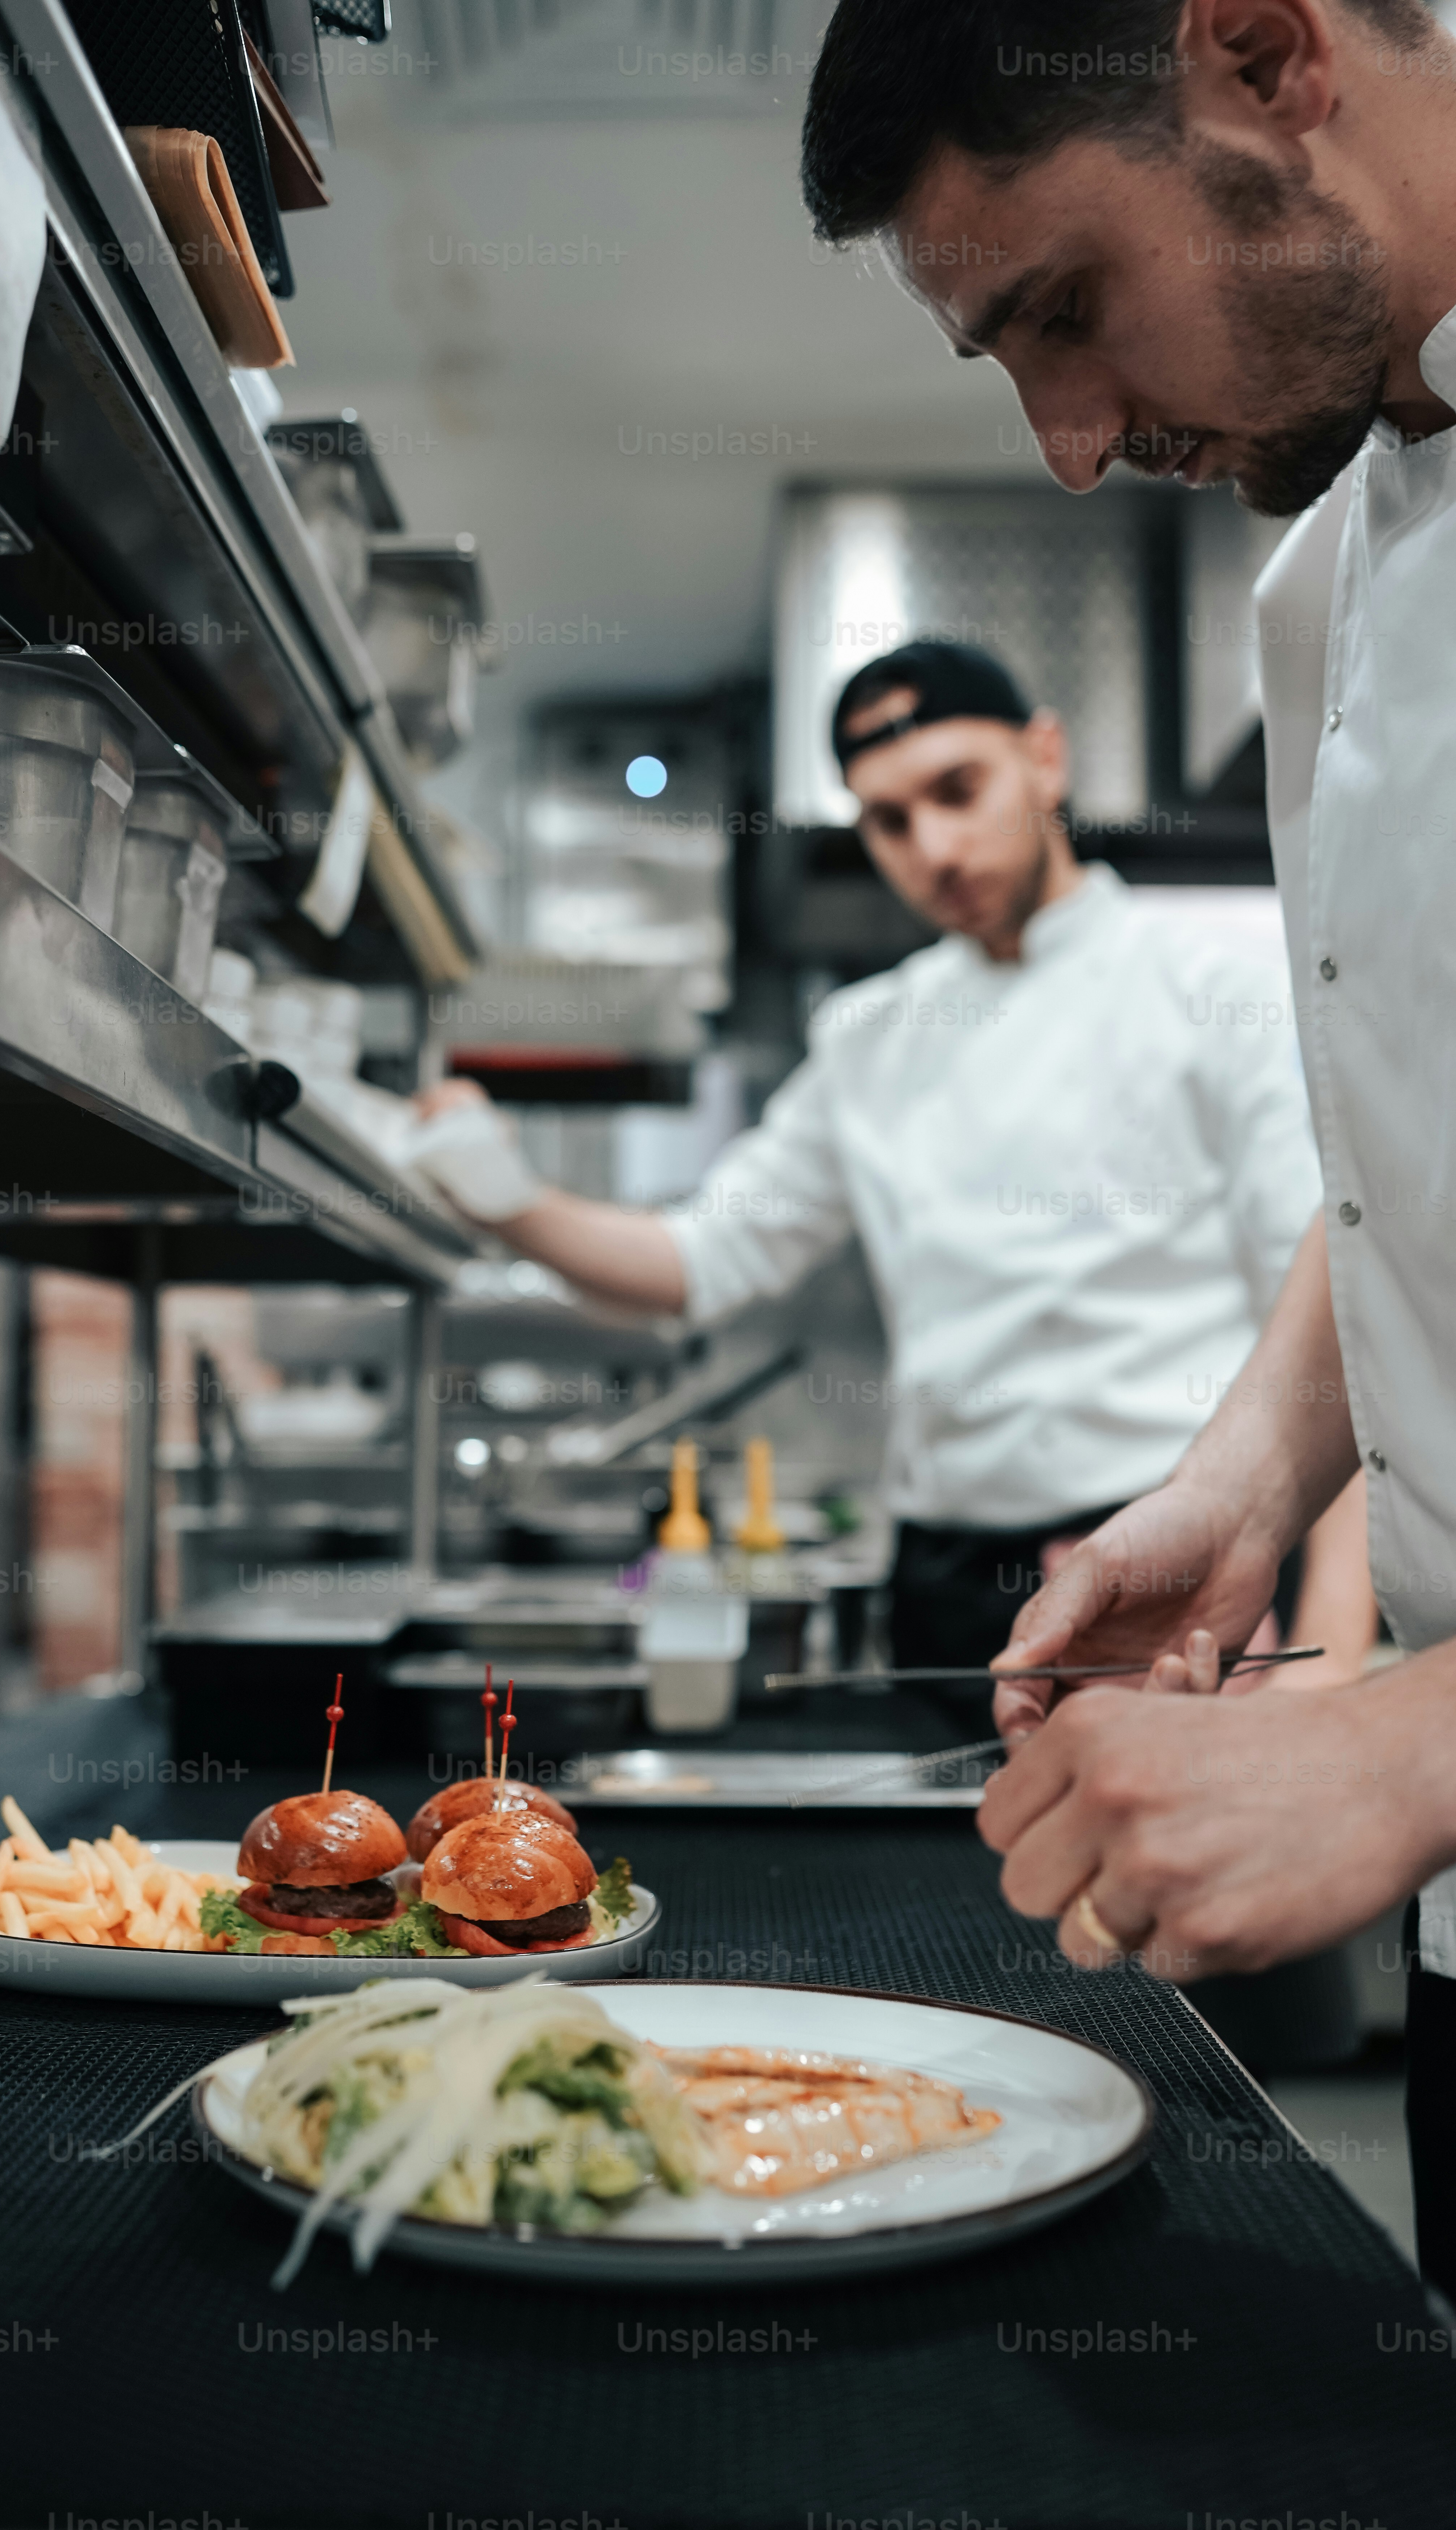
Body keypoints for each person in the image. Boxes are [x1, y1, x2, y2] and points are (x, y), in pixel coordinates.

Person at [798, 0, 1456, 2289]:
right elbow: (1410, 1145)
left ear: (1270, 56)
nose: (1070, 449)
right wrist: (1251, 1483)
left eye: (1062, 313)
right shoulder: (1332, 577)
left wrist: (1411, 1735)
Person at [408, 636, 1374, 1723]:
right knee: (942, 1886)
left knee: (1175, 1890)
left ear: (1046, 758)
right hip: (946, 1580)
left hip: (1175, 1552)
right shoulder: (870, 1036)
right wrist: (507, 1201)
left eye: (959, 790)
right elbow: (702, 1259)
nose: (936, 848)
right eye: (889, 821)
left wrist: (1336, 1655)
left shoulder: (1214, 987)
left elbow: (1337, 1307)